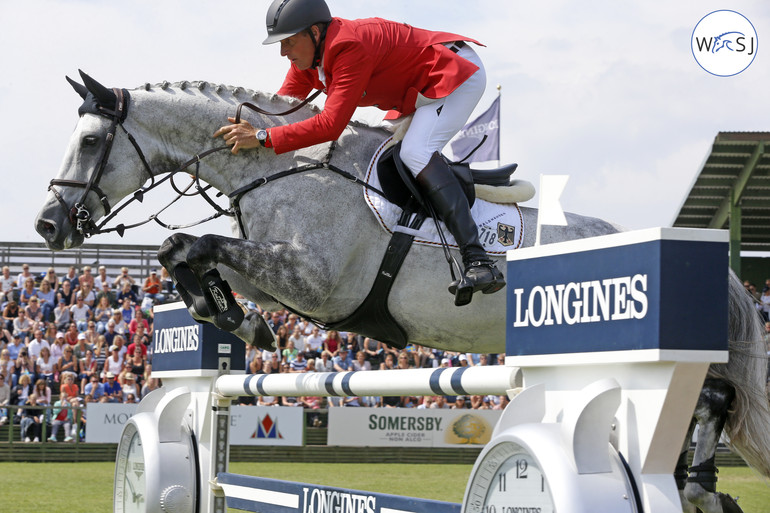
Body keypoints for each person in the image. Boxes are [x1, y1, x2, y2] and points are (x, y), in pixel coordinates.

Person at [224, 0, 506, 305]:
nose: (283, 52)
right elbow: (283, 110)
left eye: (289, 42)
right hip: (417, 87)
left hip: (453, 71)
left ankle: (479, 261)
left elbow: (330, 126)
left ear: (315, 33)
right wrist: (239, 136)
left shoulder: (349, 47)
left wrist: (263, 137)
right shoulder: (306, 61)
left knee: (415, 152)